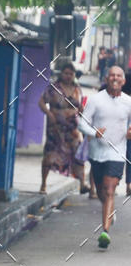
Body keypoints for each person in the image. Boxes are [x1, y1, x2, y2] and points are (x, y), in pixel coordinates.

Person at [78, 64, 131, 248]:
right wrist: (93, 133)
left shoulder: (128, 102)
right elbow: (82, 123)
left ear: (123, 81)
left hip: (117, 152)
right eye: (111, 75)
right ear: (106, 79)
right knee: (101, 191)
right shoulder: (96, 100)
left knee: (110, 190)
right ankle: (109, 212)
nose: (115, 78)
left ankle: (105, 232)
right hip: (97, 152)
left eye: (118, 76)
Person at [38, 62, 89, 194]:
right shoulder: (54, 88)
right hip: (55, 128)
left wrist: (82, 112)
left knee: (78, 154)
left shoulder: (77, 89)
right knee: (50, 155)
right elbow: (41, 102)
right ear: (61, 74)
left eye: (71, 74)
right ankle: (43, 184)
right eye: (66, 73)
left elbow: (80, 106)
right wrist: (49, 113)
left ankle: (82, 183)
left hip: (73, 129)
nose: (68, 76)